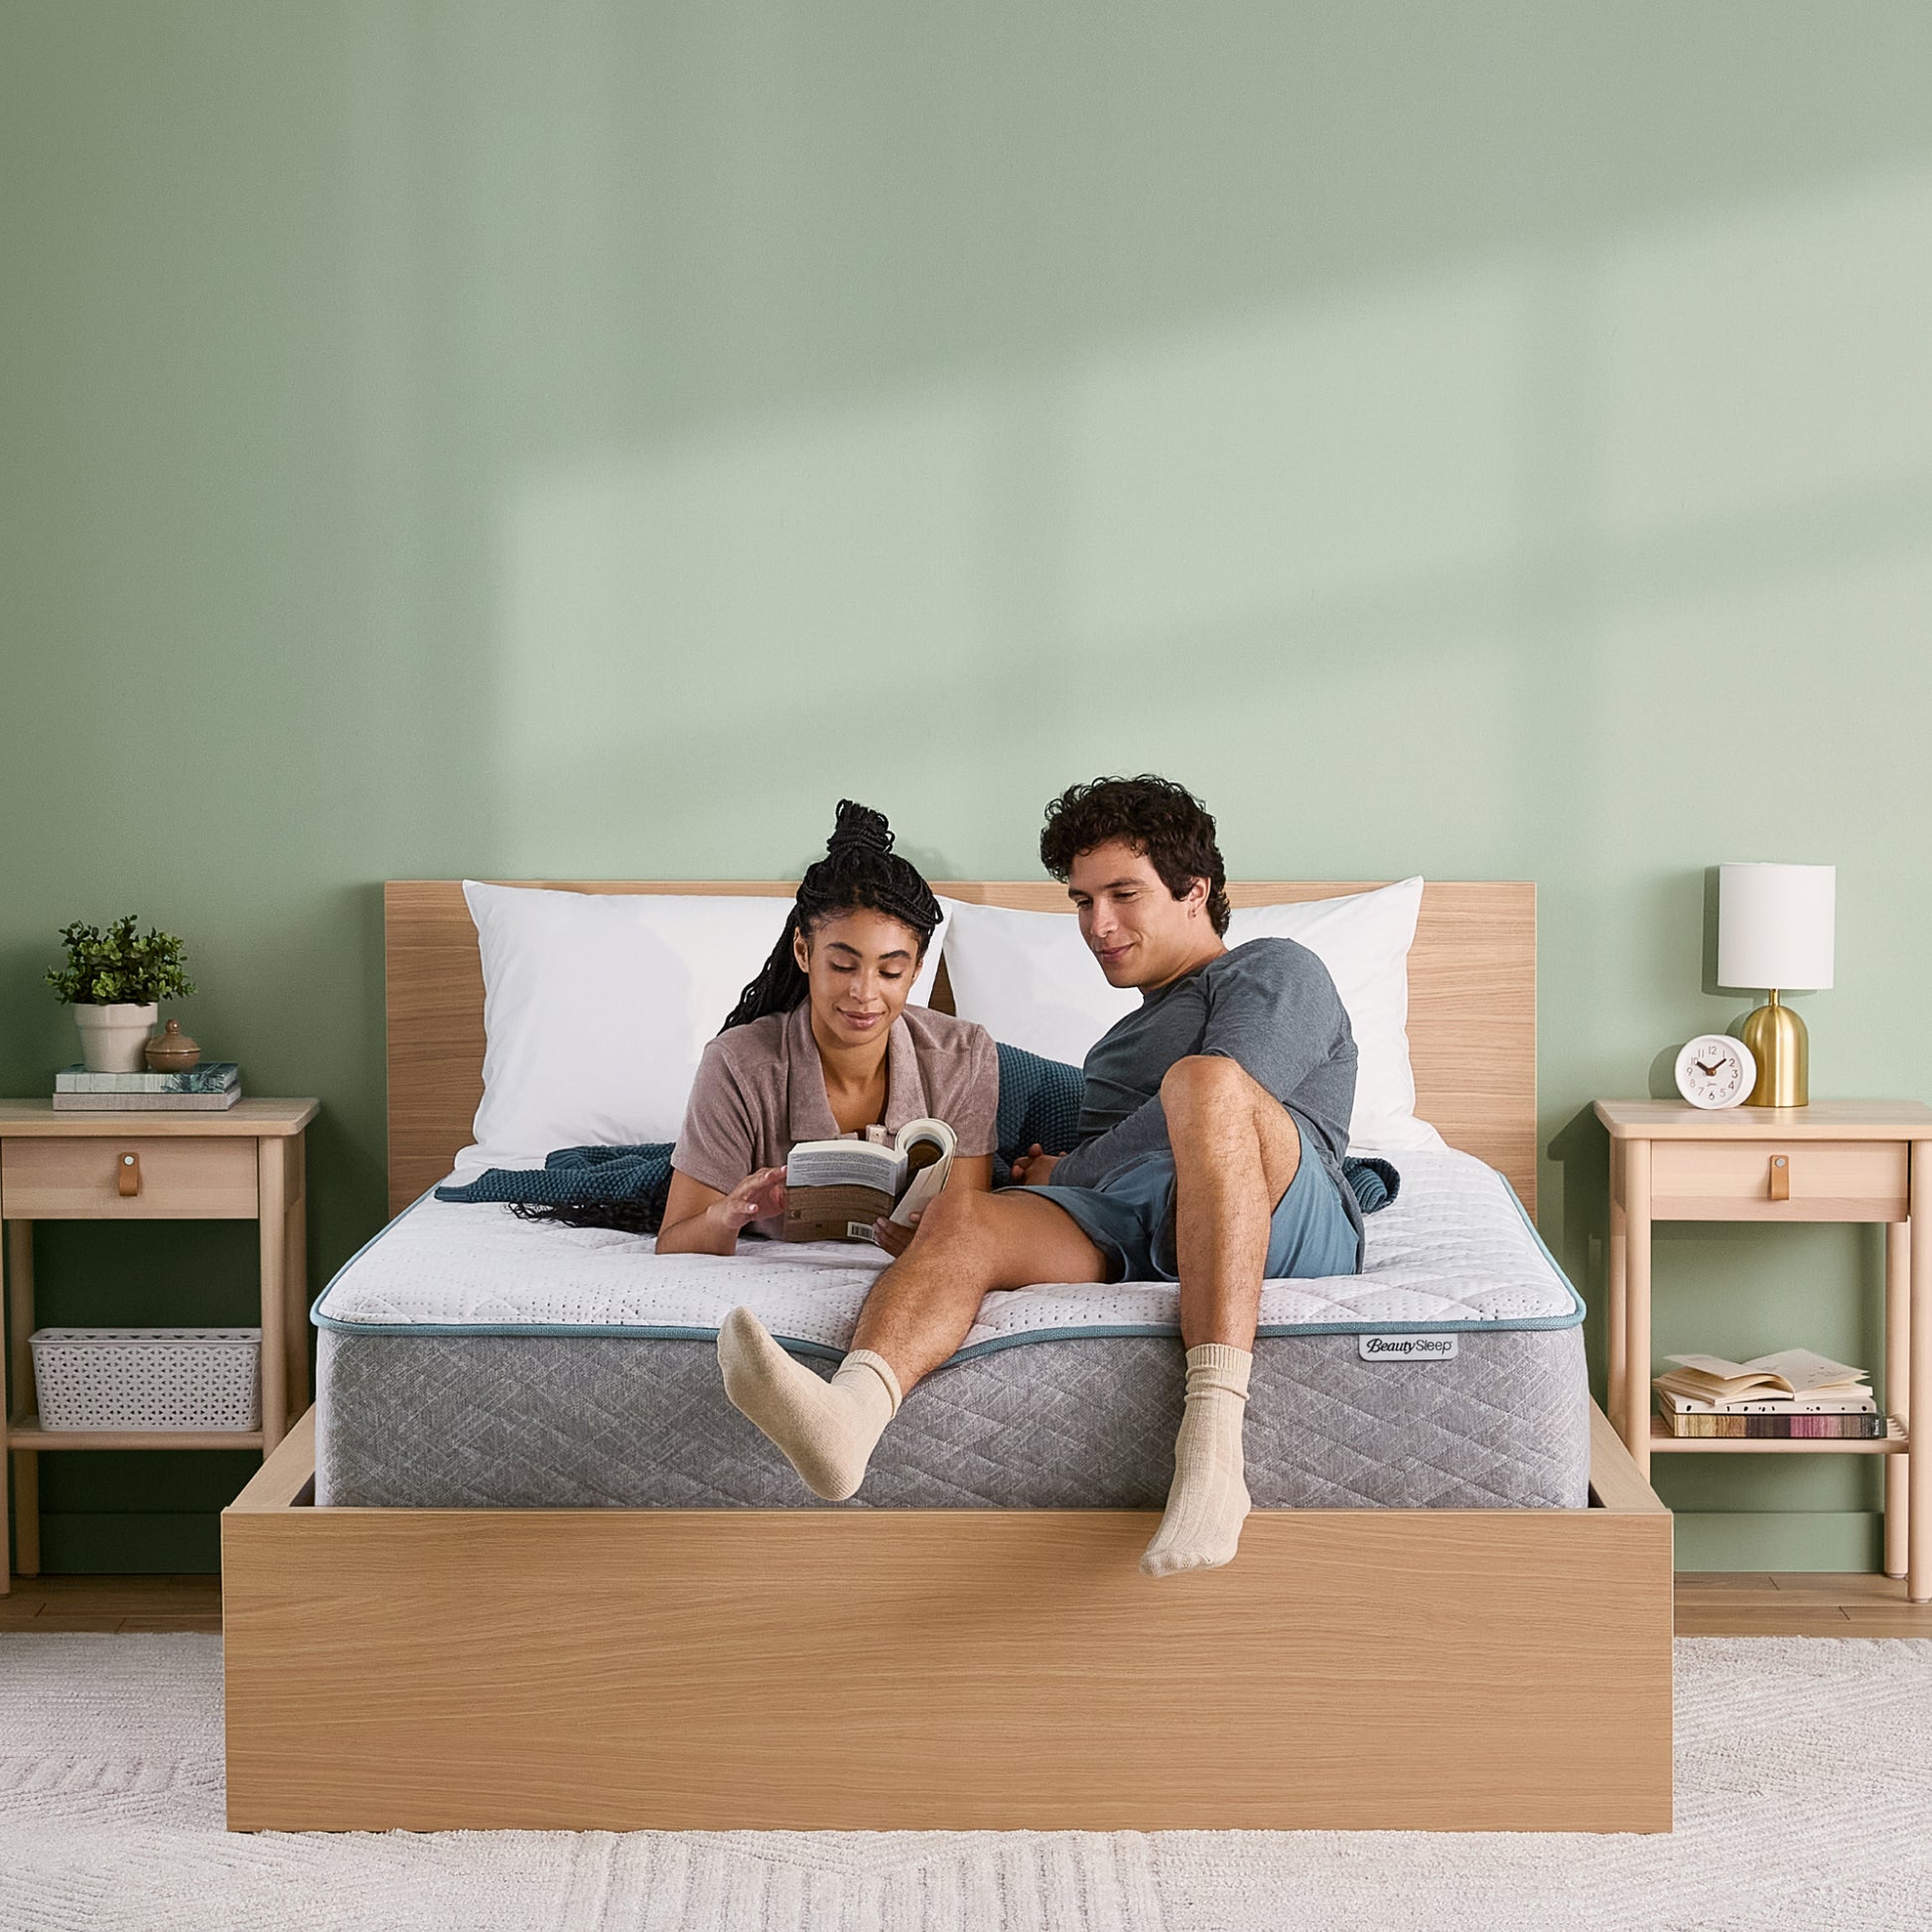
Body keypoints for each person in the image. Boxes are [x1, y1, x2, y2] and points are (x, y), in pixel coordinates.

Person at [717, 775, 1360, 1579]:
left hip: (1285, 1207)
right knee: (966, 1216)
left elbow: (1230, 1093)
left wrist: (1070, 1167)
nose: (1099, 925)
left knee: (1205, 1083)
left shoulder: (1273, 970)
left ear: (1195, 891)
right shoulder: (1115, 1049)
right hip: (1144, 1219)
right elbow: (1096, 1177)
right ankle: (849, 1419)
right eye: (1082, 901)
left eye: (1122, 895)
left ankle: (1211, 1450)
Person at [656, 801, 997, 1266]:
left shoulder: (966, 1056)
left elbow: (966, 1235)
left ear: (917, 969)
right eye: (842, 965)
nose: (864, 994)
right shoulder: (737, 1064)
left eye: (891, 971)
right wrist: (731, 1215)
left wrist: (927, 1243)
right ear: (803, 951)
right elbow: (674, 1241)